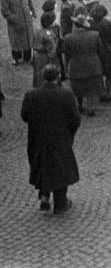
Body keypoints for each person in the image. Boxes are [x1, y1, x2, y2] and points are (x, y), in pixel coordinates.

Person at [20, 64, 80, 215]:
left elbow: (24, 116)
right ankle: (60, 203)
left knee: (41, 165)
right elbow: (75, 119)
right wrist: (69, 133)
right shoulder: (65, 94)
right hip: (59, 138)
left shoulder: (31, 95)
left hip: (38, 138)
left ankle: (44, 196)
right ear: (58, 76)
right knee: (60, 168)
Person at [61, 13, 105, 117]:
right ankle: (90, 108)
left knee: (78, 86)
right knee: (91, 87)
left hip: (76, 65)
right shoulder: (95, 35)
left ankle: (79, 104)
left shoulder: (68, 37)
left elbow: (66, 52)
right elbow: (101, 50)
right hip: (93, 64)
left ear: (75, 25)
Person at [2, 0, 35, 65]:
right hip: (15, 24)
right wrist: (14, 18)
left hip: (26, 21)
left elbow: (30, 3)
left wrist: (32, 13)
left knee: (28, 39)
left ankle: (27, 56)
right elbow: (5, 11)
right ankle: (16, 58)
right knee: (16, 41)